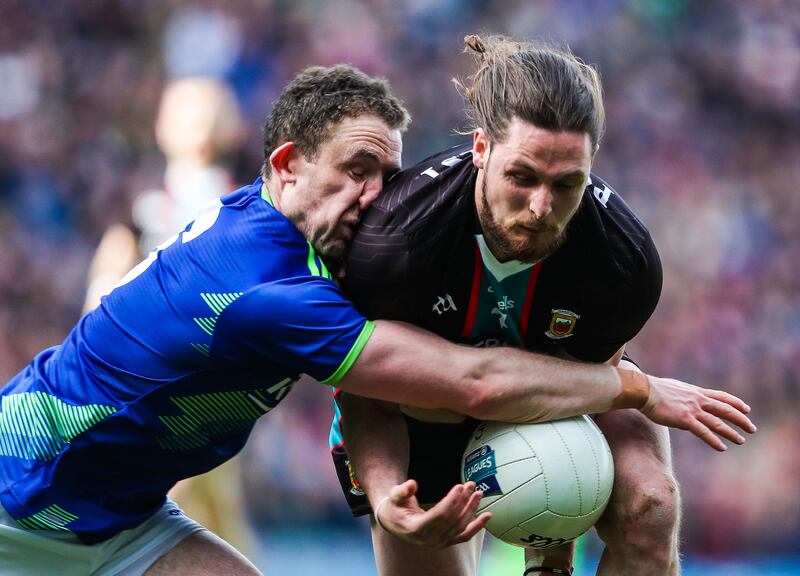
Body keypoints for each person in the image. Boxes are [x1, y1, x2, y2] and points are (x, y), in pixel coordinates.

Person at [0, 64, 753, 576]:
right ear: (288, 163)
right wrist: (635, 389)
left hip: (121, 521)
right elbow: (476, 382)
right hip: (17, 498)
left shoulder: (294, 240)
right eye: (356, 170)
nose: (375, 196)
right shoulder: (268, 288)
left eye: (387, 176)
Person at [329, 35, 749, 576]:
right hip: (419, 419)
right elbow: (372, 396)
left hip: (566, 387)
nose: (541, 207)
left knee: (651, 506)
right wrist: (388, 498)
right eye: (522, 177)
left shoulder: (623, 262)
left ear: (592, 162)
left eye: (567, 183)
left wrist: (552, 550)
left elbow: (589, 382)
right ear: (481, 149)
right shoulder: (394, 243)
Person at [83, 76, 257, 557]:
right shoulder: (143, 202)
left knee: (211, 509)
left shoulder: (246, 201)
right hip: (148, 378)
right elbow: (106, 277)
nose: (201, 122)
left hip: (215, 381)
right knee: (186, 503)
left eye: (211, 111)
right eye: (188, 111)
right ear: (163, 125)